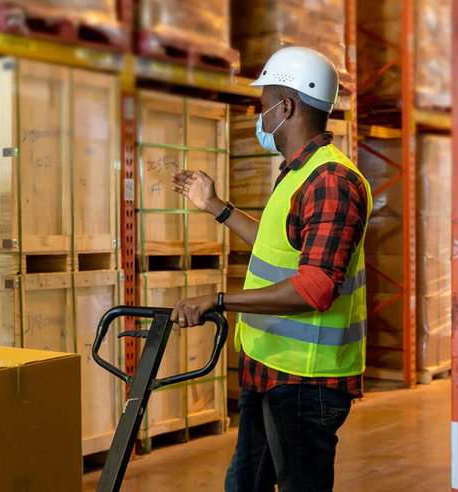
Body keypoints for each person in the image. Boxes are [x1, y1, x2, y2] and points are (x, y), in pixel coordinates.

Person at [170, 47, 372, 492]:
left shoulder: (332, 182)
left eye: (263, 105)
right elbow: (278, 244)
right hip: (269, 370)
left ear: (286, 107)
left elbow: (315, 286)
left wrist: (219, 300)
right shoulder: (299, 173)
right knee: (243, 485)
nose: (259, 116)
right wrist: (217, 207)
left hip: (305, 382)